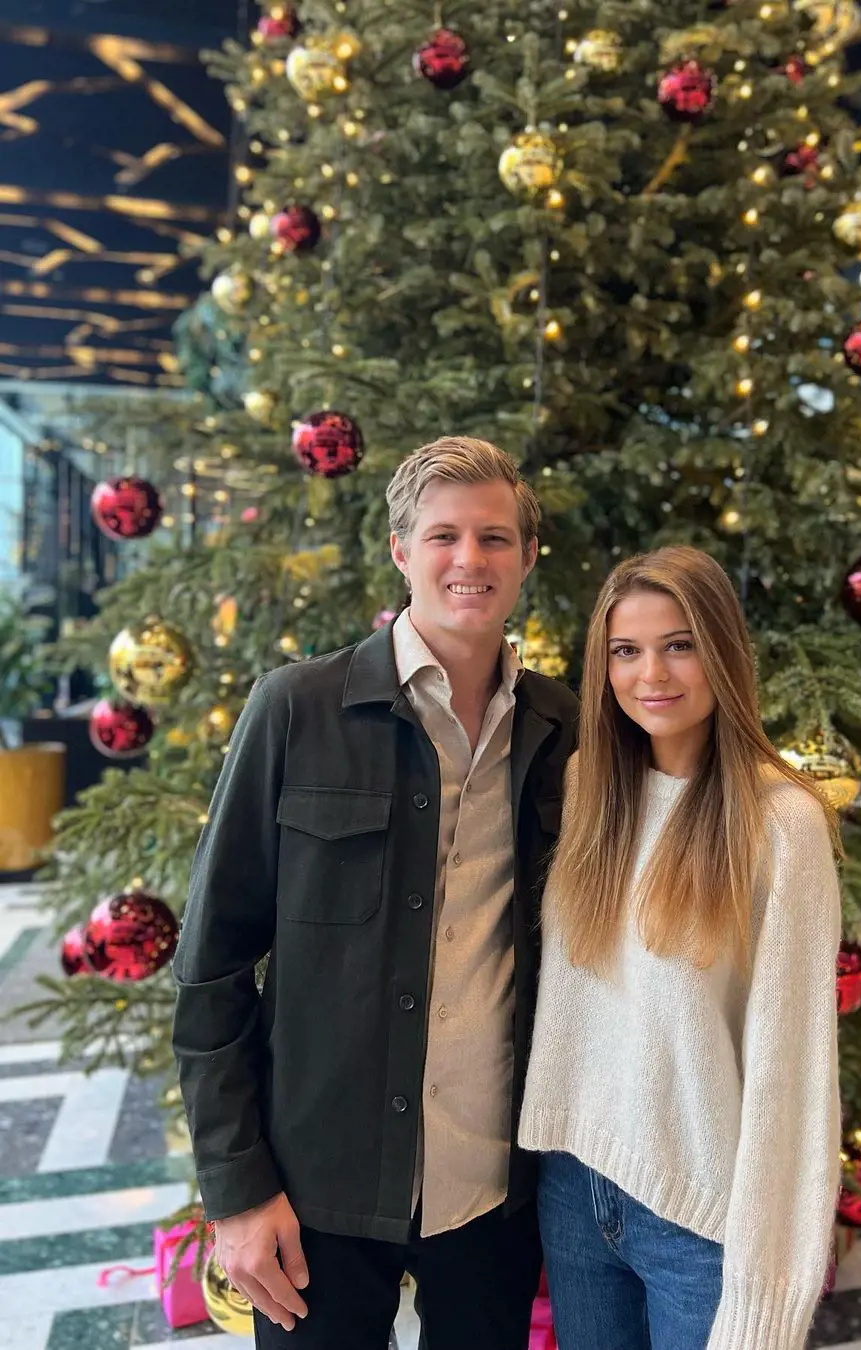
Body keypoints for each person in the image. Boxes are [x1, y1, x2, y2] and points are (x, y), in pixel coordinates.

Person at [173, 436, 578, 1350]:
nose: (469, 560)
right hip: (315, 1195)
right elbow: (211, 967)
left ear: (526, 556)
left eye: (494, 538)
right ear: (401, 551)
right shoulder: (294, 709)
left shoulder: (565, 728)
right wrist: (236, 1192)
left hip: (492, 1194)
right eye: (443, 537)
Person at [519, 545, 842, 1350]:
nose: (651, 674)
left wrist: (767, 1299)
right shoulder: (591, 785)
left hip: (699, 1218)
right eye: (626, 651)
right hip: (572, 1185)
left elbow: (792, 1071)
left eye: (680, 644)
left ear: (722, 652)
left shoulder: (781, 823)